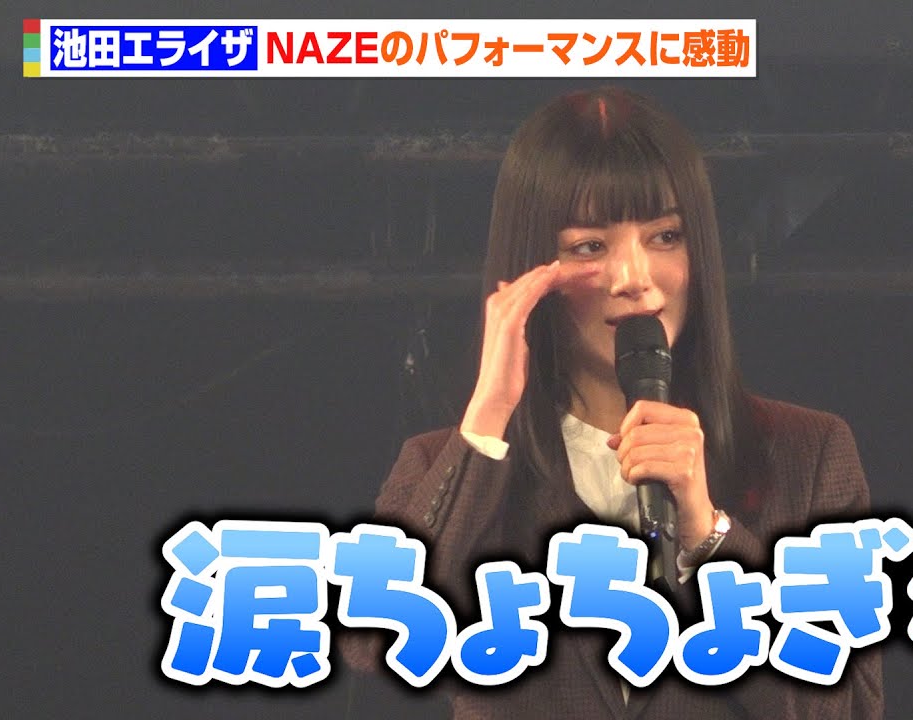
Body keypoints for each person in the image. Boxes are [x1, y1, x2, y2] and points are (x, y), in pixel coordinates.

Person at [342, 86, 882, 719]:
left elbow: (849, 706)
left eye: (665, 235)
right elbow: (373, 639)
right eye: (590, 246)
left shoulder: (806, 452)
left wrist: (709, 536)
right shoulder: (448, 464)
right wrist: (487, 417)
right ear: (534, 267)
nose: (635, 278)